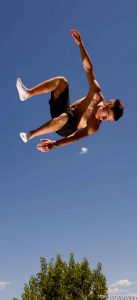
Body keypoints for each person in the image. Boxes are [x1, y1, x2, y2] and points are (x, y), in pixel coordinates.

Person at [16, 29, 124, 153]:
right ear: (105, 104)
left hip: (66, 128)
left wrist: (55, 144)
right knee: (62, 81)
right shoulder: (96, 93)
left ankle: (30, 134)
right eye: (106, 115)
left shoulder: (93, 126)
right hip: (63, 110)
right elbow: (88, 69)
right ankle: (27, 94)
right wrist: (80, 44)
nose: (103, 120)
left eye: (107, 120)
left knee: (65, 118)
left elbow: (76, 137)